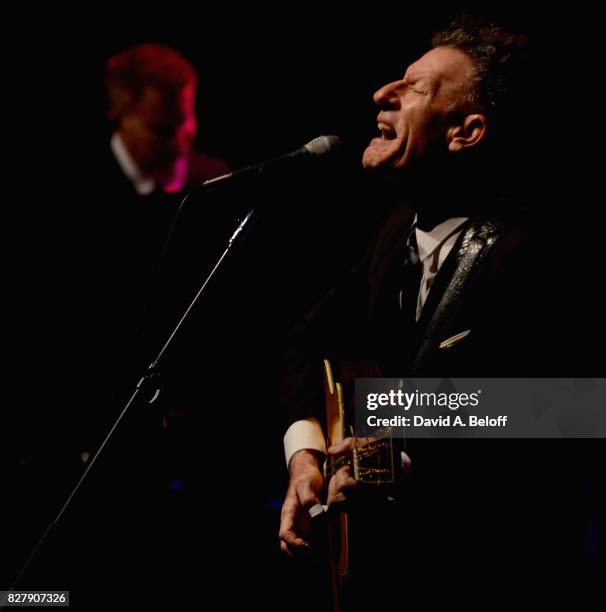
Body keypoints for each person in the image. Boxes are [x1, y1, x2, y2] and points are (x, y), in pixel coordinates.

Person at [278, 17, 595, 608]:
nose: (382, 94)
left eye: (415, 89)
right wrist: (306, 455)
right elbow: (307, 335)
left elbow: (573, 406)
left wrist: (396, 441)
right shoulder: (394, 231)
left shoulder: (539, 253)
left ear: (466, 132)